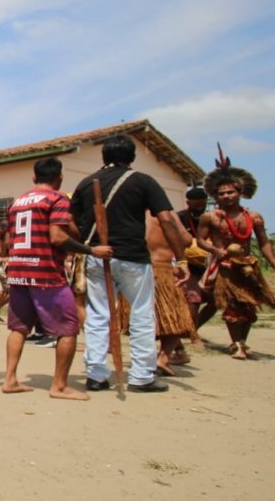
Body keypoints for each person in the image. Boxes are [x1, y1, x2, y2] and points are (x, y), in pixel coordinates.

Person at [70, 134, 190, 393]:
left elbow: (71, 222)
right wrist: (180, 258)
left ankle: (96, 374)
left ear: (104, 157)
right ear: (132, 158)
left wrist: (85, 246)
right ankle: (142, 376)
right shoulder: (143, 181)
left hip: (97, 256)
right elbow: (167, 220)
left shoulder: (84, 184)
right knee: (141, 314)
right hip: (132, 257)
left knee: (98, 315)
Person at [1, 157, 112, 400]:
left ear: (33, 178)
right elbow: (58, 237)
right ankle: (59, 386)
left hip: (18, 272)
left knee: (19, 328)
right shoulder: (58, 199)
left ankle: (10, 379)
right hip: (46, 273)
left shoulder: (16, 202)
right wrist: (92, 250)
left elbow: (8, 242)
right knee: (68, 329)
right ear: (59, 178)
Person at [196, 151, 275, 360]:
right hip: (225, 267)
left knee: (249, 305)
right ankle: (236, 344)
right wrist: (215, 250)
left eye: (230, 192)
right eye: (221, 193)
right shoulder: (211, 217)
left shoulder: (253, 217)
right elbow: (199, 240)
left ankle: (242, 342)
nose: (226, 196)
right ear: (215, 197)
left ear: (240, 192)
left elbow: (264, 243)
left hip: (248, 266)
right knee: (232, 305)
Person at [144, 212, 195, 376]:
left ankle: (146, 359)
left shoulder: (127, 210)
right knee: (176, 318)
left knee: (143, 318)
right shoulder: (166, 213)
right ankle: (163, 357)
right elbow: (187, 240)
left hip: (136, 269)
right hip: (164, 267)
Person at [178, 187, 216, 350]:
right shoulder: (179, 218)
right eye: (197, 204)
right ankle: (193, 336)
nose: (201, 207)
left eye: (203, 204)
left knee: (215, 301)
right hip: (189, 265)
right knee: (194, 299)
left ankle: (192, 329)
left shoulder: (211, 218)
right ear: (188, 203)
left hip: (209, 265)